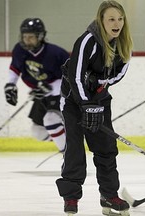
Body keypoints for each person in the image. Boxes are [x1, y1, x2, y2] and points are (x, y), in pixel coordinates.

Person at [55, 1, 133, 215]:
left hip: (99, 100)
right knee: (75, 149)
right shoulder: (88, 40)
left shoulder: (124, 42)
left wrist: (99, 85)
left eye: (120, 18)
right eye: (111, 19)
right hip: (73, 100)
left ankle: (109, 196)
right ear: (102, 21)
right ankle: (71, 197)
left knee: (106, 149)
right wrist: (86, 103)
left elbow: (119, 73)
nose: (117, 23)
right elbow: (75, 75)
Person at [4, 18, 69, 152]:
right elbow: (15, 68)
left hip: (62, 95)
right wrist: (11, 84)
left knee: (50, 119)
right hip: (42, 94)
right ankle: (67, 138)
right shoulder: (19, 50)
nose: (27, 40)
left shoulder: (56, 54)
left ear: (40, 36)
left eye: (31, 37)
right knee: (38, 132)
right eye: (25, 36)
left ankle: (69, 155)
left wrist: (50, 88)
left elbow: (71, 79)